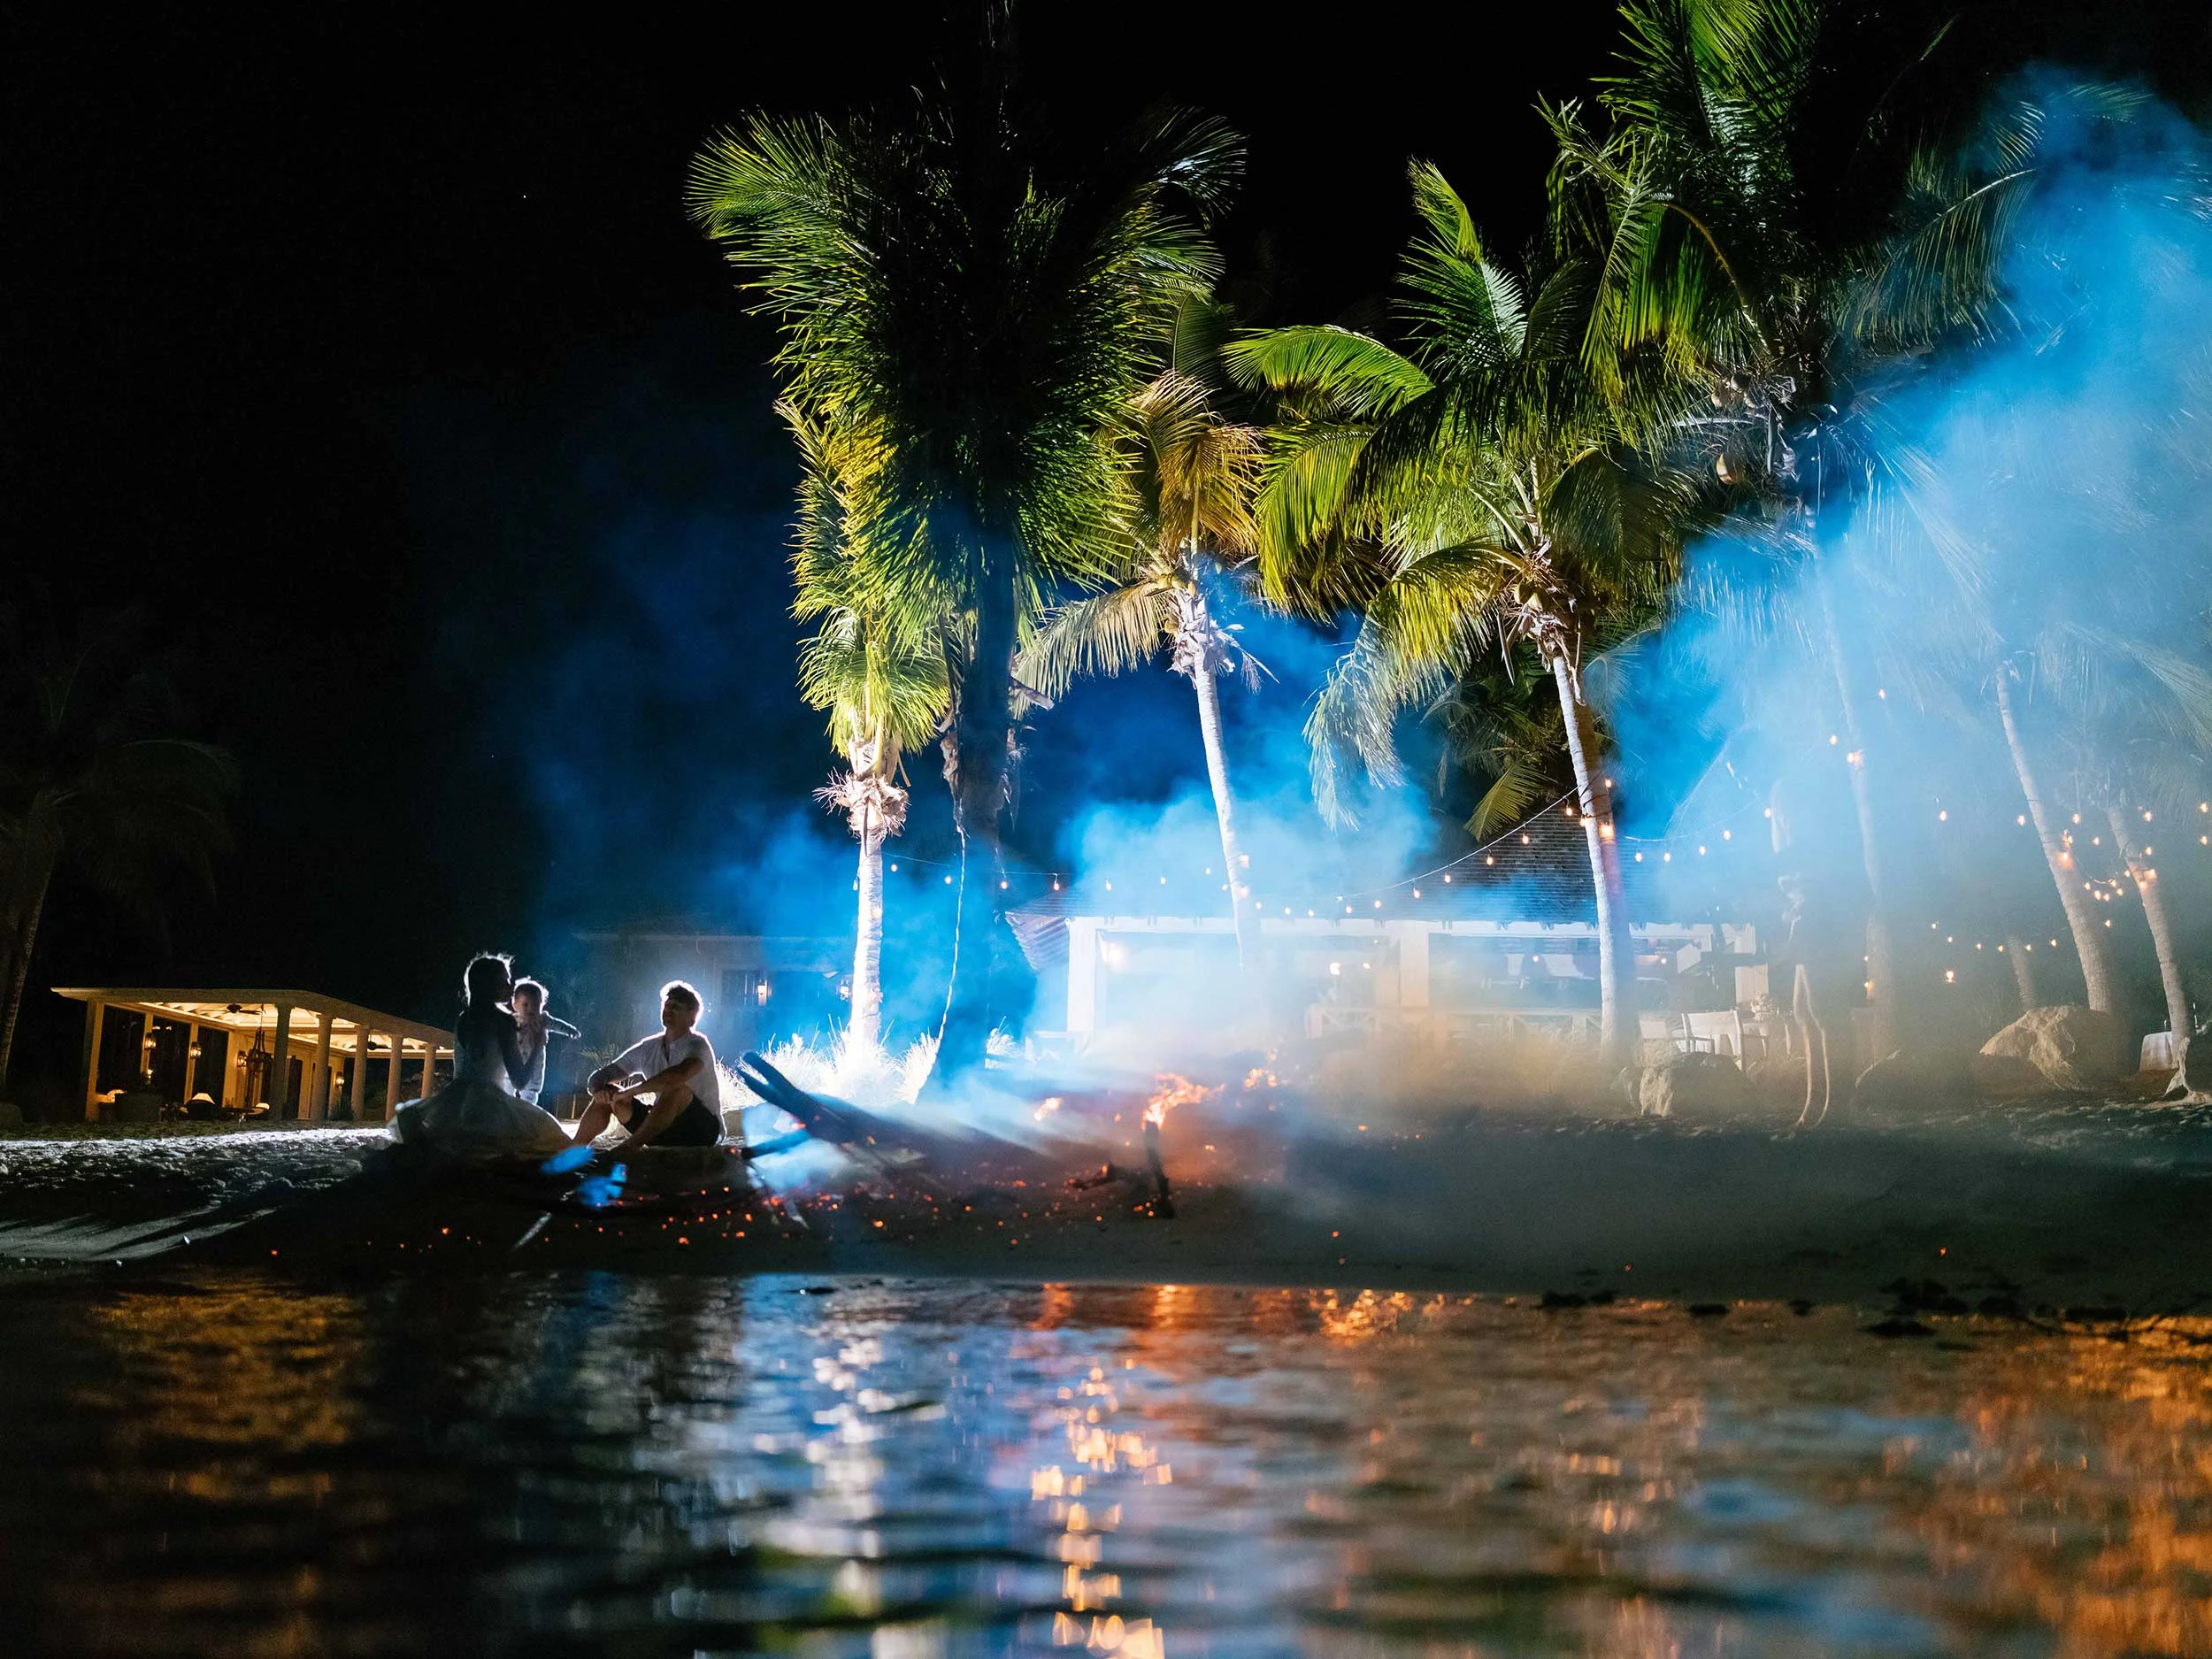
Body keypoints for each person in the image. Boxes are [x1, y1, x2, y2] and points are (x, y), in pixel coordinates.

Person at [389, 953, 572, 1161]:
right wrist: (538, 1045)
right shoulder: (504, 1021)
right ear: (490, 986)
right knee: (548, 1139)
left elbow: (460, 1072)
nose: (512, 985)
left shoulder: (464, 1018)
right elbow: (520, 1082)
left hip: (455, 1102)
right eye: (506, 980)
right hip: (490, 1104)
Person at [572, 979, 724, 1150]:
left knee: (678, 1090)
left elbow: (679, 1075)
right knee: (611, 1094)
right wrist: (599, 1091)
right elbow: (603, 1075)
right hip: (664, 1127)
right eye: (667, 1005)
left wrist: (631, 1091)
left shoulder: (697, 1045)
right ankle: (573, 1149)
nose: (668, 1010)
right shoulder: (648, 1047)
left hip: (702, 1130)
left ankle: (629, 1147)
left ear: (692, 1017)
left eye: (676, 1007)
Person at [511, 977, 580, 1107]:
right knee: (508, 1087)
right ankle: (508, 1109)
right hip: (514, 1062)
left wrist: (570, 1030)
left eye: (535, 1005)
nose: (530, 1009)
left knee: (531, 1092)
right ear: (515, 1005)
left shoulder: (542, 1020)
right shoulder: (512, 1021)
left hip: (535, 1064)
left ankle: (528, 1111)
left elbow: (557, 1024)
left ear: (542, 1005)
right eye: (525, 1005)